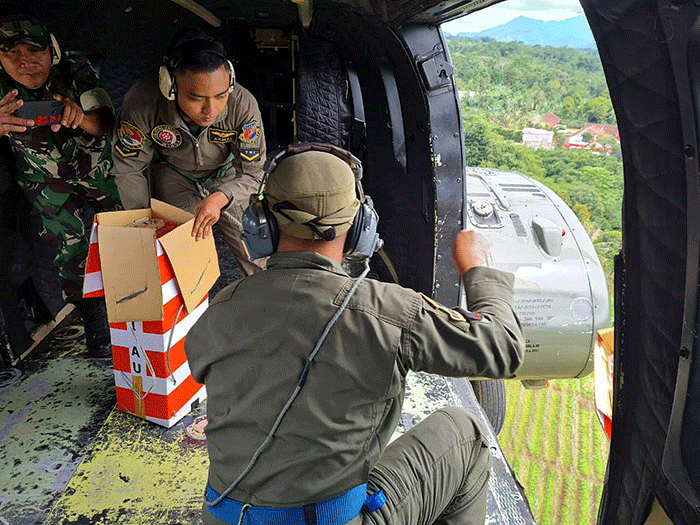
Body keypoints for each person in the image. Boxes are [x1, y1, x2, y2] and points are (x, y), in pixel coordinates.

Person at [185, 143, 526, 525]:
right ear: (362, 227)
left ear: (260, 223)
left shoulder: (221, 309)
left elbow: (201, 362)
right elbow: (504, 348)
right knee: (467, 433)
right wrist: (477, 267)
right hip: (328, 520)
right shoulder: (388, 311)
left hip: (224, 518)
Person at [0, 11, 120, 358]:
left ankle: (134, 309)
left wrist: (79, 117)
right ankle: (95, 323)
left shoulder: (75, 68)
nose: (25, 63)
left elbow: (106, 121)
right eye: (12, 54)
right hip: (45, 179)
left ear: (52, 51)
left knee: (123, 236)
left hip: (94, 169)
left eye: (35, 52)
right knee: (70, 250)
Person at [111, 28, 266, 277]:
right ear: (169, 85)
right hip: (174, 175)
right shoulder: (143, 101)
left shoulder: (243, 104)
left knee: (257, 253)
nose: (210, 109)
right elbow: (128, 169)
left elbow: (253, 173)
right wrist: (143, 221)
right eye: (196, 98)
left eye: (221, 95)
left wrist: (221, 197)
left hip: (227, 176)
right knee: (181, 261)